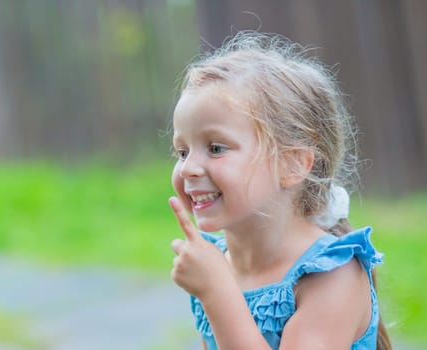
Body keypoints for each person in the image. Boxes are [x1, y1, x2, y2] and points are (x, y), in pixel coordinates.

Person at [168, 31, 392, 350]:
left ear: (292, 165)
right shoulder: (216, 262)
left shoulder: (332, 276)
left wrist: (217, 293)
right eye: (182, 152)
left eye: (216, 148)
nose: (188, 167)